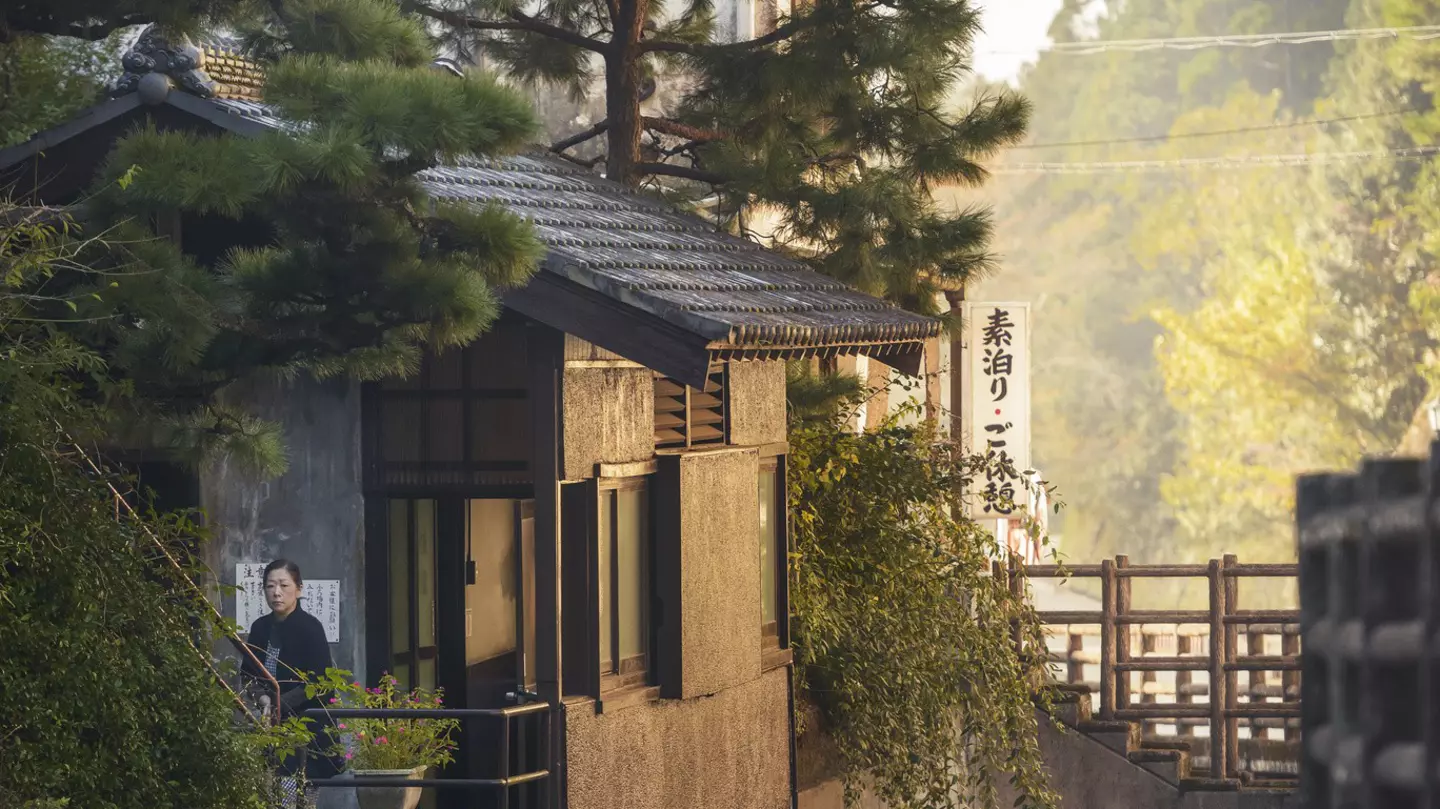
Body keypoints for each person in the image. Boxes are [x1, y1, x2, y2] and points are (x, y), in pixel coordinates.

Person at [240, 559, 340, 804]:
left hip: (306, 726)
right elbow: (249, 675)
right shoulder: (260, 628)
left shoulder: (311, 628)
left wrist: (278, 703)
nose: (276, 592)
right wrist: (264, 700)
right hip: (271, 725)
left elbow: (320, 683)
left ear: (299, 589)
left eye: (284, 585)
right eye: (270, 586)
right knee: (272, 794)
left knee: (300, 799)